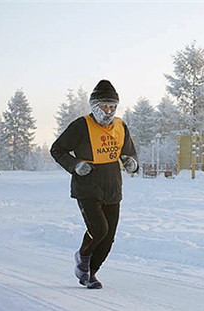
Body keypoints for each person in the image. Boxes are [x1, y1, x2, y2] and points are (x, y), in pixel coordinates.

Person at [50, 79, 139, 289]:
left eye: (112, 106)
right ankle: (82, 257)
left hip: (113, 187)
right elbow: (57, 149)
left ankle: (91, 273)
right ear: (94, 106)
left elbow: (129, 152)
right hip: (87, 186)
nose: (108, 110)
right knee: (99, 230)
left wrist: (131, 162)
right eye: (104, 105)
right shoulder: (81, 126)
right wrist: (75, 165)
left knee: (109, 238)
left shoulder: (120, 126)